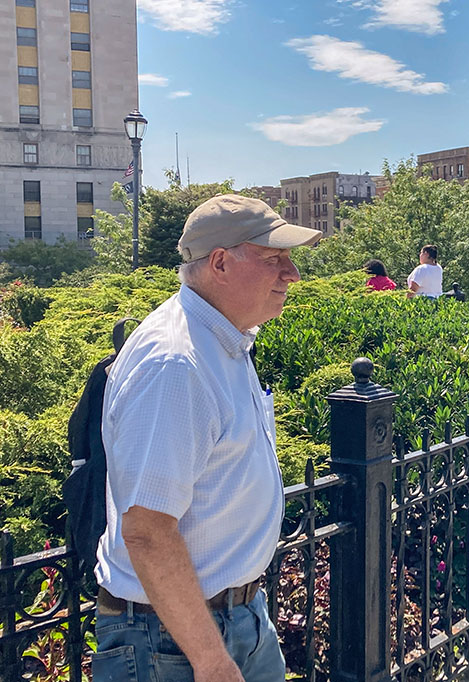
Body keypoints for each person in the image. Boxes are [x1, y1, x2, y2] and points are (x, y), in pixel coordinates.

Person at [93, 194, 322, 682]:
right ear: (220, 262)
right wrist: (211, 660)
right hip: (171, 642)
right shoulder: (175, 363)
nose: (292, 273)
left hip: (232, 620)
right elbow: (147, 531)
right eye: (274, 258)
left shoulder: (223, 339)